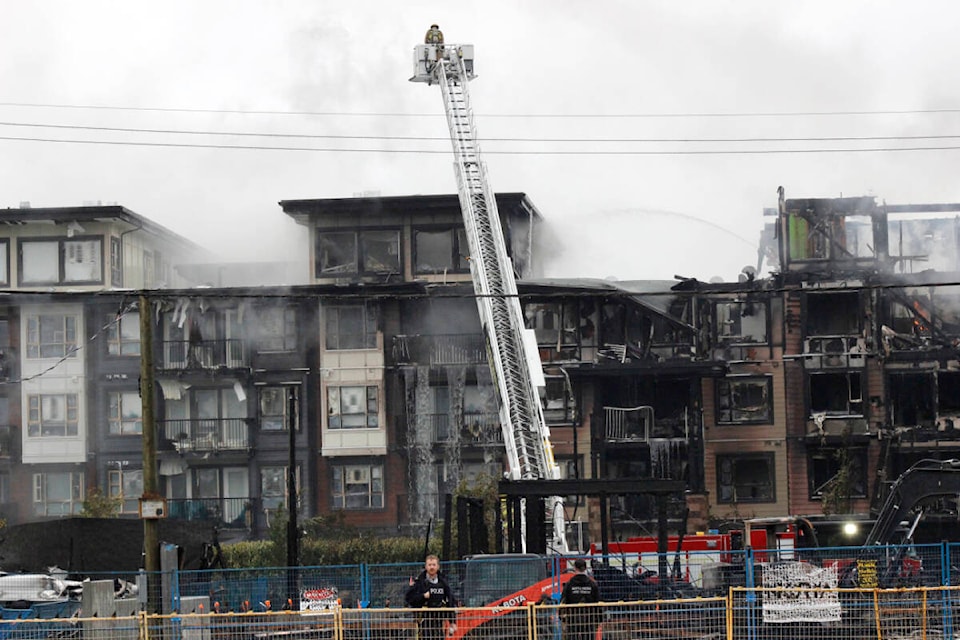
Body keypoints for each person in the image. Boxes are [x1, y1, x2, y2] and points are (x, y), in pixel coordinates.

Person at [405, 554, 457, 640]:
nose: (432, 567)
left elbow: (450, 601)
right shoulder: (419, 582)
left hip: (439, 620)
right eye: (429, 565)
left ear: (438, 566)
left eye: (434, 565)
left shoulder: (443, 583)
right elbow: (409, 598)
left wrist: (452, 621)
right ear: (426, 566)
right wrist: (423, 596)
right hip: (424, 619)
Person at [559, 559, 601, 640]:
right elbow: (598, 602)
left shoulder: (569, 584)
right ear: (585, 568)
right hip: (589, 619)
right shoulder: (592, 584)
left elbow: (563, 601)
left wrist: (563, 618)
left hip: (573, 618)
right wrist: (598, 619)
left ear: (575, 568)